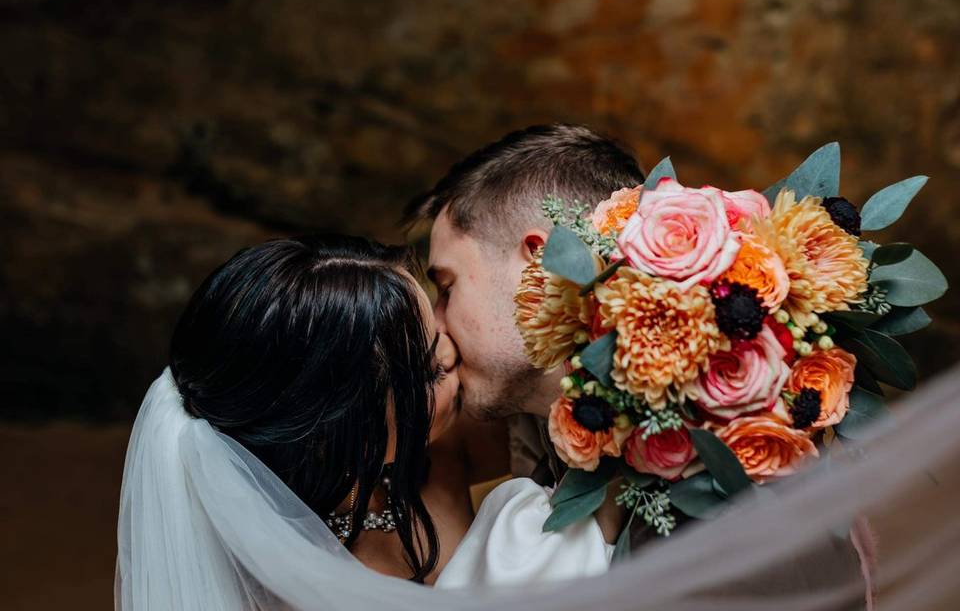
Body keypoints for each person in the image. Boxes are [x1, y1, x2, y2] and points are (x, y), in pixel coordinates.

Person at [115, 234, 619, 609]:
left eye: (434, 323)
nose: (451, 350)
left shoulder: (437, 445)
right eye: (427, 369)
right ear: (337, 429)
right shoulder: (273, 584)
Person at [404, 123, 645, 486]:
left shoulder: (715, 438)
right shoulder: (525, 431)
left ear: (542, 262)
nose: (437, 324)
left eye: (447, 288)